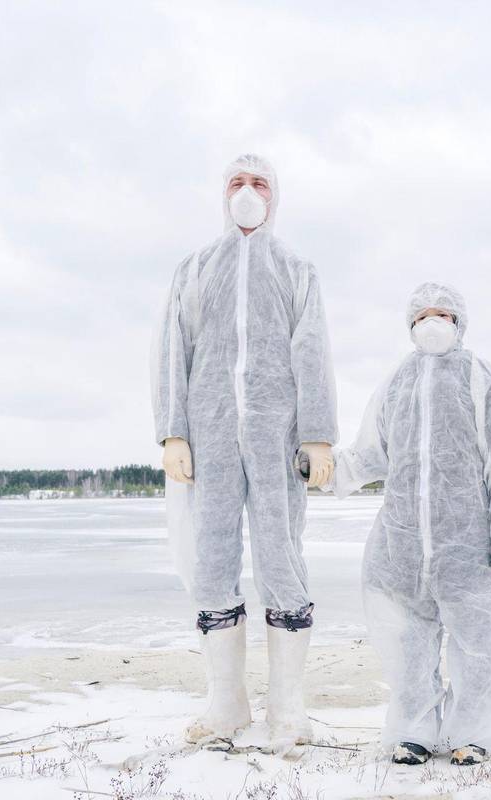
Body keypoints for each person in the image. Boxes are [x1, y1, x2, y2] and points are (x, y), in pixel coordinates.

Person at [151, 154, 338, 753]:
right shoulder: (195, 268)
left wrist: (317, 433)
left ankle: (288, 709)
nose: (247, 191)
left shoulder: (296, 269)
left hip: (277, 437)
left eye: (259, 183)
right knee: (211, 558)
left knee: (282, 557)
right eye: (237, 182)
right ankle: (226, 703)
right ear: (222, 194)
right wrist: (173, 432)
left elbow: (313, 351)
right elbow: (171, 349)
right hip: (209, 439)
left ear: (275, 196)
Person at [324, 282, 491, 766]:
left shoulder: (484, 381)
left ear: (460, 322)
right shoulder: (397, 382)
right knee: (409, 644)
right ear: (410, 325)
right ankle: (413, 732)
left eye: (442, 313)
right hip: (402, 544)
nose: (432, 321)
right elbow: (369, 455)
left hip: (468, 545)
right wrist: (324, 468)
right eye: (423, 314)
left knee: (477, 646)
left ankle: (473, 734)